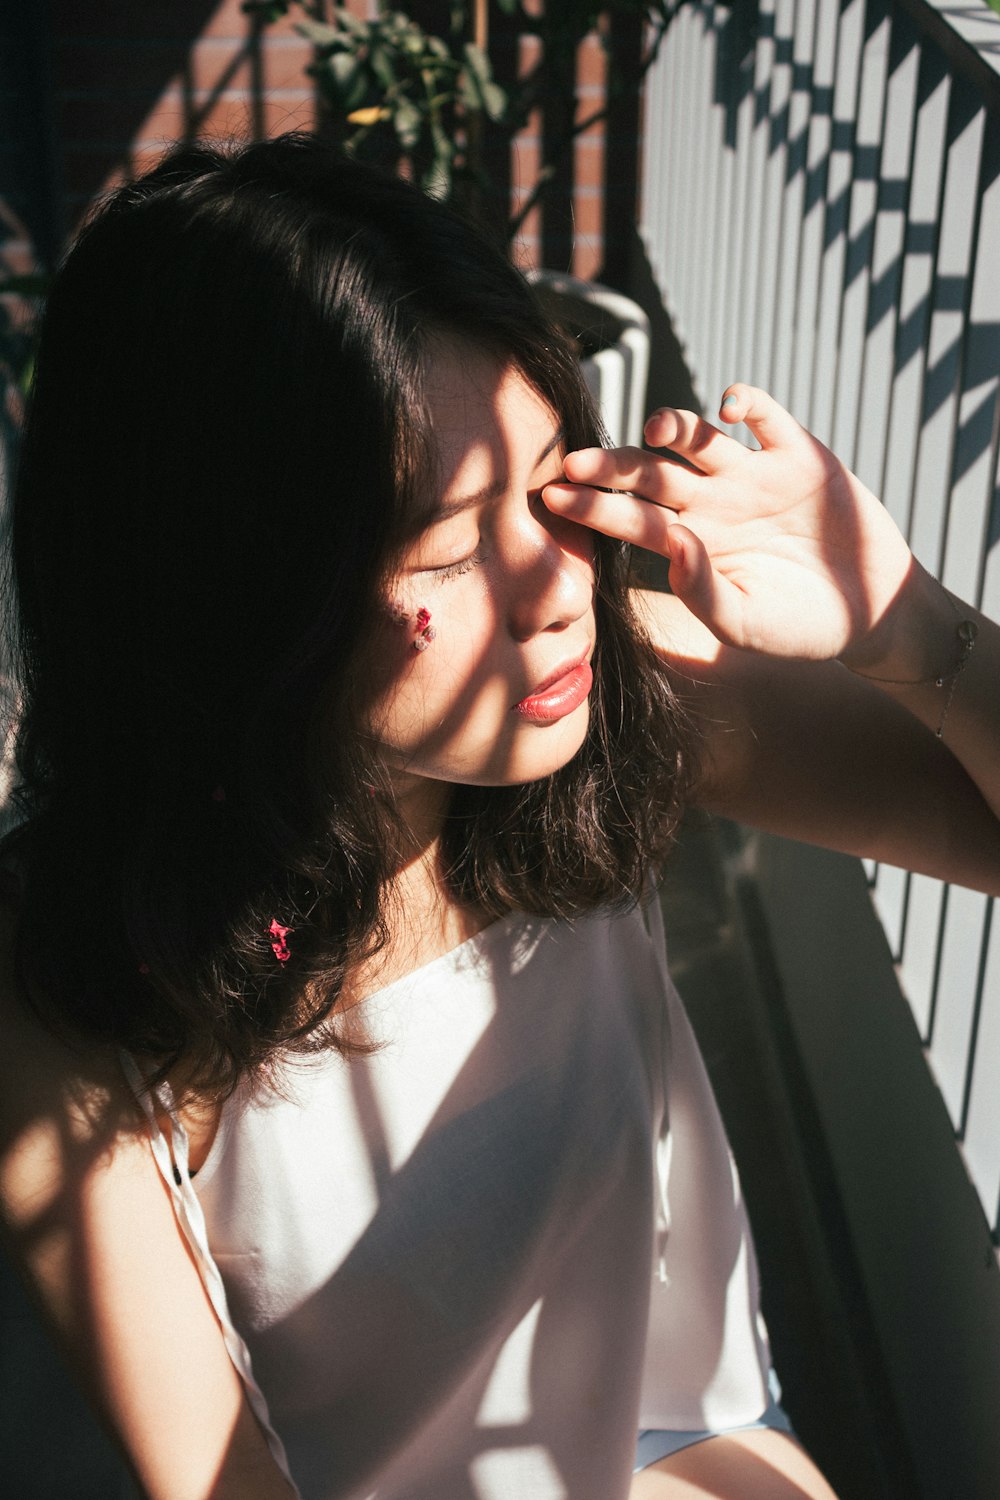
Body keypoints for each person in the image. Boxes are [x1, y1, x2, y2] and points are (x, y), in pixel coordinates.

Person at [0, 133, 997, 1500]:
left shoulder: (615, 689)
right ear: (236, 592)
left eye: (551, 493)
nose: (559, 587)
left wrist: (907, 627)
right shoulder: (73, 970)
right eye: (456, 547)